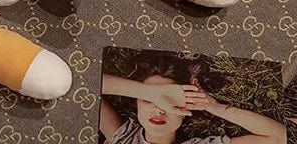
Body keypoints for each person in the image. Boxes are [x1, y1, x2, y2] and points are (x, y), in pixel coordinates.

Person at [99, 58, 286, 144]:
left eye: (170, 102)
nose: (158, 109)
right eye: (148, 100)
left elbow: (278, 138)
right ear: (137, 103)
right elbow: (89, 81)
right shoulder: (124, 138)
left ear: (186, 107)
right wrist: (151, 93)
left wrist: (214, 107)